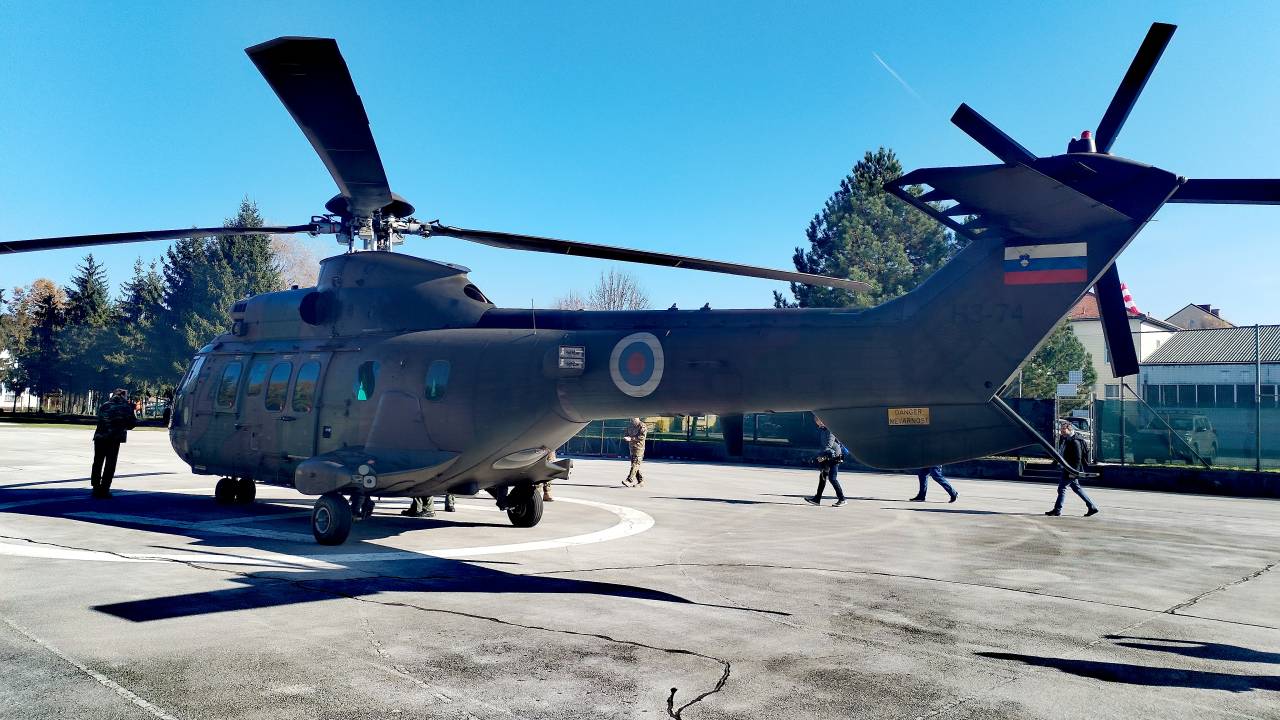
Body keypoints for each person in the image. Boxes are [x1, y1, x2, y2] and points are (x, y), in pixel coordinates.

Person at [90, 388, 137, 499]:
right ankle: (105, 489)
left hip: (100, 437)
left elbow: (99, 419)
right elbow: (132, 424)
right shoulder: (126, 407)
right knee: (110, 464)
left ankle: (95, 487)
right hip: (114, 438)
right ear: (123, 396)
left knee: (97, 462)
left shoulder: (105, 405)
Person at [1047, 421, 1100, 517]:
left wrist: (1073, 472)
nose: (1061, 431)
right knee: (1077, 488)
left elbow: (1077, 459)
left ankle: (1057, 510)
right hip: (1067, 468)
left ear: (1069, 429)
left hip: (1070, 469)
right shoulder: (1065, 438)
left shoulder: (1075, 441)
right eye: (1061, 429)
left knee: (1062, 488)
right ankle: (1092, 507)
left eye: (1064, 429)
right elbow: (1061, 452)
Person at [805, 418, 847, 507]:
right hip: (828, 456)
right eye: (816, 421)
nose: (817, 422)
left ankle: (842, 499)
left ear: (823, 420)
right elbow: (824, 447)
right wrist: (818, 456)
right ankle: (817, 499)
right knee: (823, 477)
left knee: (832, 478)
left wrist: (821, 457)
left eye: (818, 420)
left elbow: (828, 446)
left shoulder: (830, 430)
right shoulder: (823, 430)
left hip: (835, 457)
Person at [622, 417, 648, 487]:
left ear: (637, 418)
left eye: (633, 418)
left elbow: (642, 437)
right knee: (635, 465)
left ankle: (629, 480)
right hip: (632, 448)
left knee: (635, 464)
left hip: (639, 448)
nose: (632, 419)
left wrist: (631, 438)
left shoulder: (642, 426)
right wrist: (626, 437)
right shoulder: (630, 426)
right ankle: (640, 481)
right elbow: (626, 433)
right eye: (631, 418)